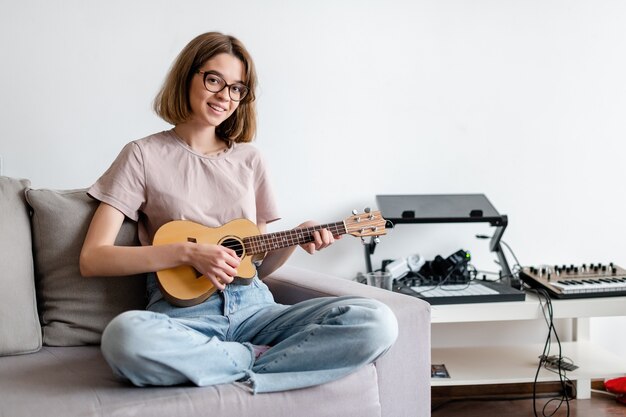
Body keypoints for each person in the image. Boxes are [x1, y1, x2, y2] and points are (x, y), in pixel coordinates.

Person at [79, 31, 398, 394]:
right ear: (187, 76)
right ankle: (256, 361)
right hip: (183, 317)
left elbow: (255, 264)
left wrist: (298, 238)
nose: (224, 97)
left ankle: (225, 361)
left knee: (377, 321)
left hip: (256, 311)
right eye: (214, 80)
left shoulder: (250, 159)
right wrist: (187, 252)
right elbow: (93, 258)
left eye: (237, 89)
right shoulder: (142, 154)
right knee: (125, 338)